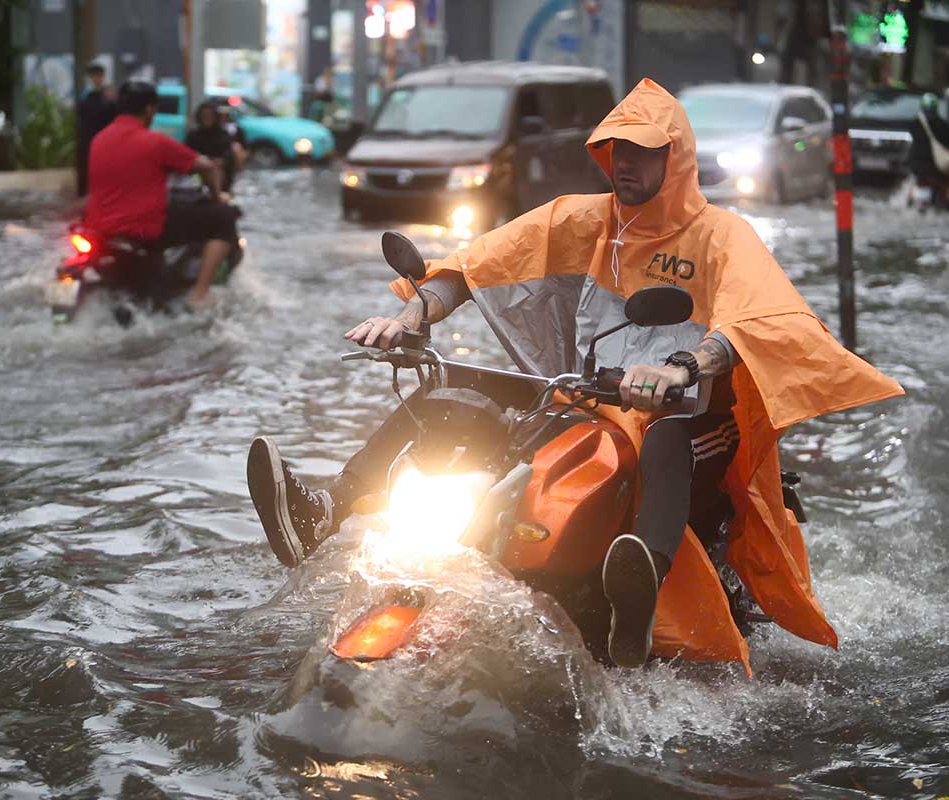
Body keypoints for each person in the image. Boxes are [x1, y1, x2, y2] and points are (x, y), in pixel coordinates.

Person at [246, 78, 902, 670]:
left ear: (676, 157)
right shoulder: (583, 220)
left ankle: (638, 601)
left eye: (642, 151)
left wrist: (684, 367)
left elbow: (759, 319)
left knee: (667, 438)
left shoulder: (722, 237)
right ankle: (326, 512)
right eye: (615, 148)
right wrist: (417, 312)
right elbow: (480, 263)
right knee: (452, 399)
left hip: (690, 416)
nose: (624, 162)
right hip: (590, 403)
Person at [85, 81, 238, 308]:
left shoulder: (99, 140)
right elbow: (207, 167)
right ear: (149, 110)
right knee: (224, 217)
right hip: (144, 230)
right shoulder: (155, 142)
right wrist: (217, 198)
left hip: (100, 229)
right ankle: (200, 296)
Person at [908, 93, 949, 211]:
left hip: (916, 166)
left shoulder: (914, 124)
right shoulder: (943, 125)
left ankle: (912, 197)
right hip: (936, 168)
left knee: (914, 181)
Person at [76, 62, 117, 197]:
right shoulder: (85, 98)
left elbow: (113, 116)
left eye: (99, 76)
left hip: (105, 141)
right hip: (88, 140)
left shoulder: (108, 97)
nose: (97, 79)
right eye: (94, 76)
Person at [185, 102, 237, 194]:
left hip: (218, 170)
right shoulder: (193, 135)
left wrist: (218, 162)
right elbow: (187, 154)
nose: (207, 118)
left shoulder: (223, 135)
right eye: (204, 115)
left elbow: (228, 156)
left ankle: (217, 196)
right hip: (198, 170)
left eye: (209, 115)